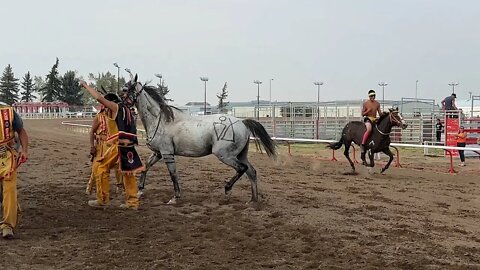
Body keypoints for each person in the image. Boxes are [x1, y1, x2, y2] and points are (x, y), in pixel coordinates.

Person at [80, 81, 144, 210]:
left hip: (118, 146)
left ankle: (102, 200)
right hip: (129, 147)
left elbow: (99, 98)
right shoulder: (128, 111)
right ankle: (132, 203)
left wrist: (86, 86)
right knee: (128, 173)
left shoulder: (117, 108)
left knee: (101, 168)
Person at [0, 102, 29, 239]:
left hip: (7, 156)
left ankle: (8, 225)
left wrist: (24, 150)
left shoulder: (8, 112)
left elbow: (21, 132)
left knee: (9, 190)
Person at [86, 100, 123, 195]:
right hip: (101, 146)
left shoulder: (116, 117)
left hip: (114, 146)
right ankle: (90, 186)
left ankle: (120, 187)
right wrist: (92, 146)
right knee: (96, 167)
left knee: (119, 166)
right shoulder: (99, 117)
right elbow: (92, 132)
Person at [360, 89, 382, 154]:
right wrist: (368, 111)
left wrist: (383, 114)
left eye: (373, 96)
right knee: (369, 129)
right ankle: (363, 144)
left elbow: (380, 113)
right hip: (368, 119)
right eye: (371, 96)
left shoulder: (377, 103)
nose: (372, 97)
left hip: (375, 119)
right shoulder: (366, 103)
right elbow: (362, 114)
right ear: (369, 97)